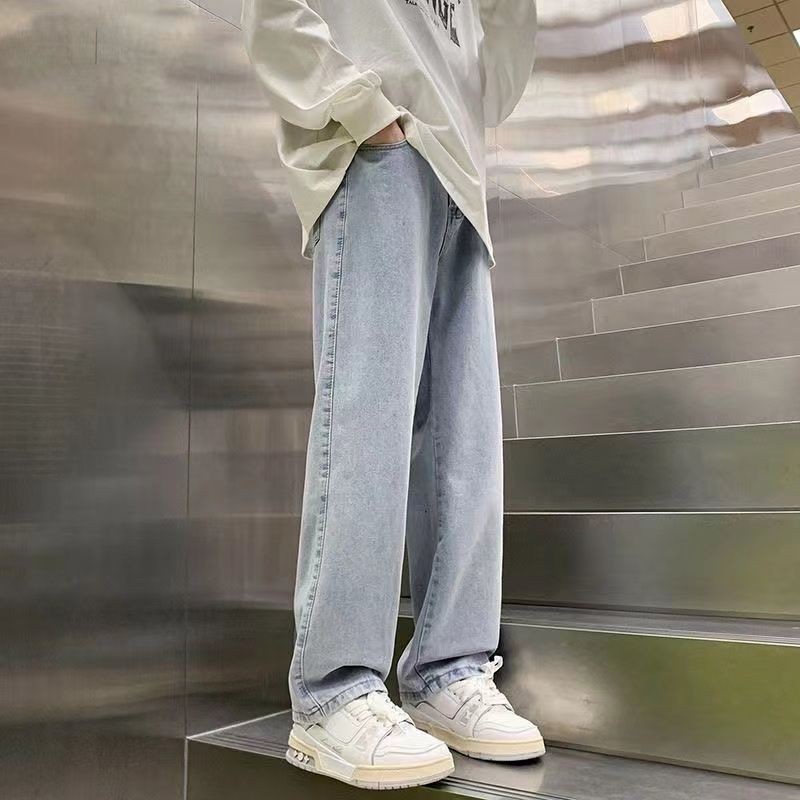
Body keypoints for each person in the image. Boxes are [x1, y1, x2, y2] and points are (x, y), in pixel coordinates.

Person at [241, 0, 541, 790]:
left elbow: (494, 89)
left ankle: (449, 670)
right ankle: (333, 692)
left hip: (461, 178)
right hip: (378, 150)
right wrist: (362, 112)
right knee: (367, 423)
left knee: (464, 445)